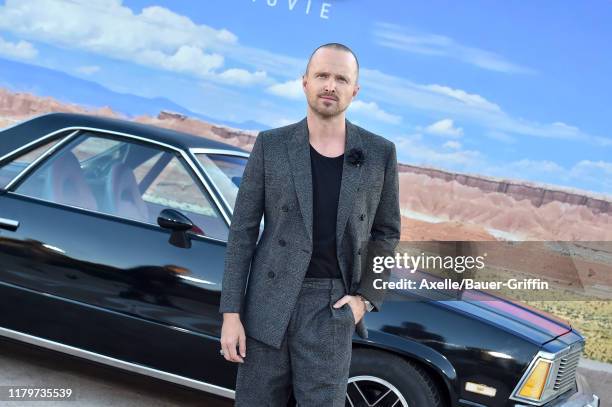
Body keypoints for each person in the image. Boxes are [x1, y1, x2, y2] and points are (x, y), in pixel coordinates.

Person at [219, 42, 401, 406]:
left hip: (331, 308)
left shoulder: (379, 153)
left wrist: (364, 300)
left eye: (341, 78)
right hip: (267, 303)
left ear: (355, 90)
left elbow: (387, 233)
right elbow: (242, 231)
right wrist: (231, 313)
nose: (330, 85)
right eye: (322, 75)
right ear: (305, 82)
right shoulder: (272, 145)